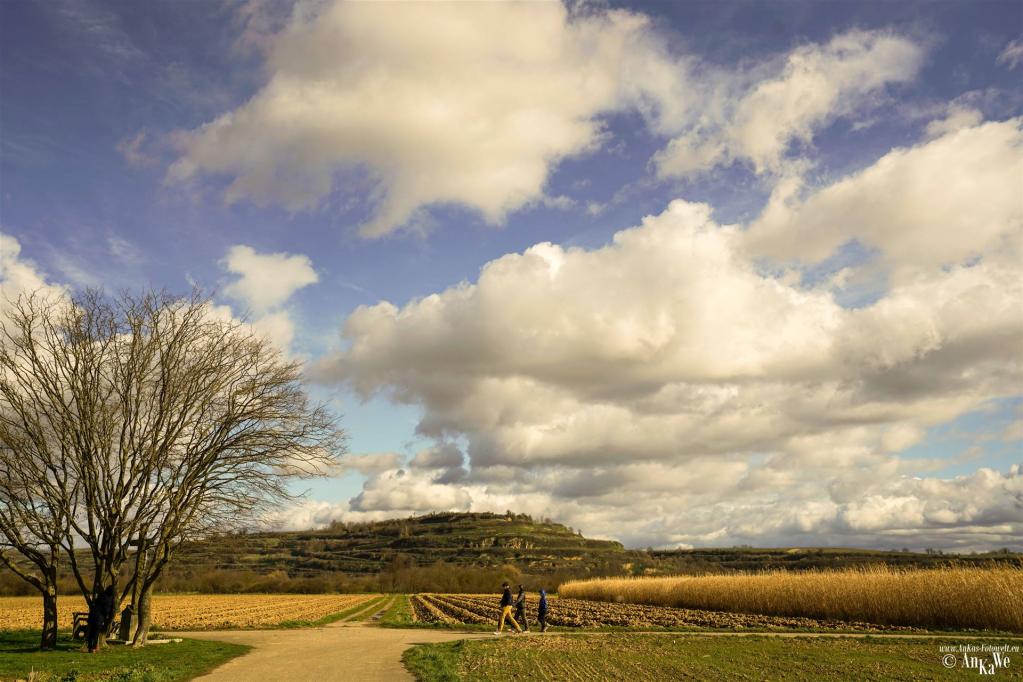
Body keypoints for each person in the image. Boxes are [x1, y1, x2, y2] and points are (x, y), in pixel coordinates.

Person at [87, 585, 115, 653]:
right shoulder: (109, 598)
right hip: (99, 618)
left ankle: (90, 647)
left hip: (92, 616)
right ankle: (94, 648)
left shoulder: (101, 596)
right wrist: (107, 616)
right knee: (96, 633)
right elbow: (106, 609)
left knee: (91, 633)